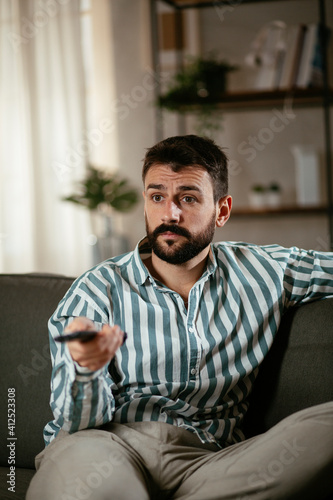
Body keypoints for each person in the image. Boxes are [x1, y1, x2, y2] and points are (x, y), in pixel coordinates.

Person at [27, 135, 333, 500]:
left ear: (222, 210)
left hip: (210, 463)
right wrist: (87, 370)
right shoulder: (95, 290)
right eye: (157, 197)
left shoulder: (264, 271)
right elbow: (76, 423)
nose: (169, 214)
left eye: (188, 198)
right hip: (105, 446)